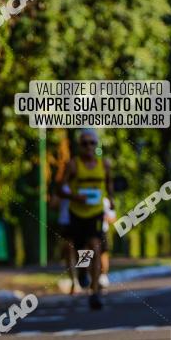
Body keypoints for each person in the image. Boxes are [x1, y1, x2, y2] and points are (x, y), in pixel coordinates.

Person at [59, 129, 114, 310]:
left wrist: (111, 200)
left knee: (96, 246)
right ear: (79, 146)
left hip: (96, 212)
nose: (89, 147)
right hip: (77, 212)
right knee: (80, 249)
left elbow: (109, 183)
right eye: (85, 143)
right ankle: (82, 272)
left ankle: (95, 291)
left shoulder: (104, 164)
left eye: (92, 143)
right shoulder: (73, 165)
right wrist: (75, 197)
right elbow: (61, 189)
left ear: (96, 145)